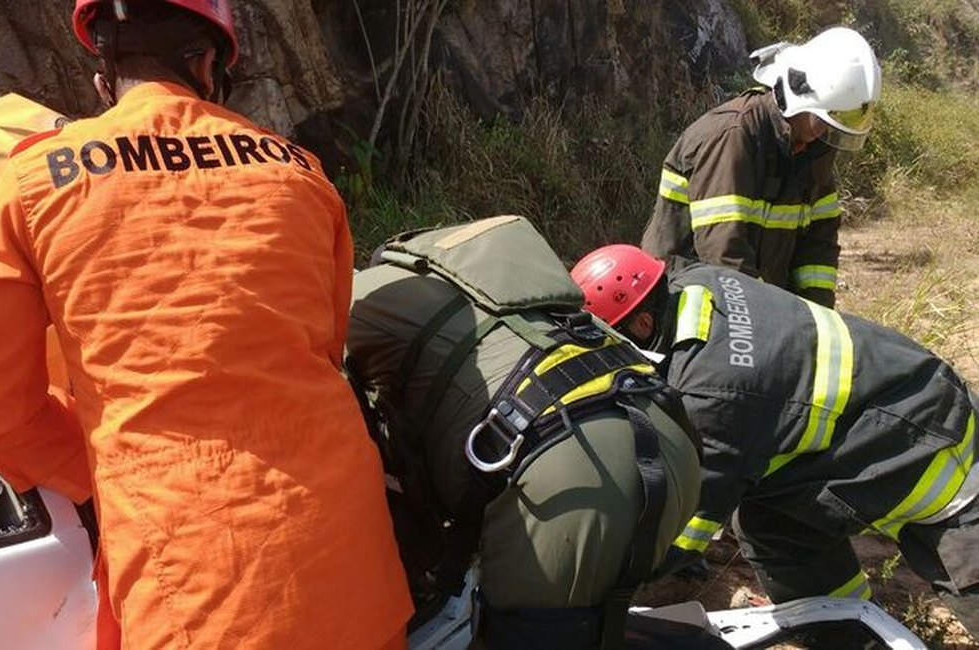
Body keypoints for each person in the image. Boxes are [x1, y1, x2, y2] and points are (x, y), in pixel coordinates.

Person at [0, 1, 412, 647]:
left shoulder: (31, 184)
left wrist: (110, 461)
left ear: (105, 72)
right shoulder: (298, 171)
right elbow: (324, 349)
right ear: (209, 62)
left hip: (197, 576)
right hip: (350, 558)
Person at [570, 244, 979, 636]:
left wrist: (603, 584)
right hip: (897, 394)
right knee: (771, 525)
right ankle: (842, 631)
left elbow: (688, 522)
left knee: (969, 578)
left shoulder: (715, 396)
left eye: (615, 343)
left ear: (642, 324)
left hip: (934, 452)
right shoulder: (697, 281)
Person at [347, 216, 702, 649]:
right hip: (671, 434)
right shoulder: (504, 287)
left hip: (571, 480)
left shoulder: (359, 302)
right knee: (593, 618)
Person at [641, 27, 882, 308]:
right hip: (684, 299)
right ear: (799, 98)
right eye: (824, 120)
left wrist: (817, 316)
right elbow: (723, 252)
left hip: (752, 302)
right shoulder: (732, 137)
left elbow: (818, 246)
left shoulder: (814, 148)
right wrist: (769, 323)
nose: (826, 132)